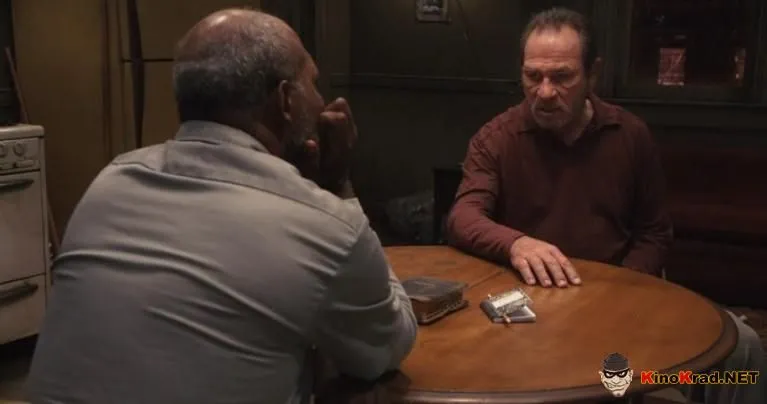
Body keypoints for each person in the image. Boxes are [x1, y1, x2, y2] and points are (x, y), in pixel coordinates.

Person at [26, 8, 417, 404]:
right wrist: (337, 185)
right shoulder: (325, 224)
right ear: (285, 100)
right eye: (313, 84)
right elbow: (384, 347)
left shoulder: (109, 183)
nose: (322, 101)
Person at [446, 7, 764, 404]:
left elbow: (654, 232)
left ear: (592, 74)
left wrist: (620, 289)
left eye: (562, 77)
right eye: (533, 76)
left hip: (617, 293)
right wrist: (517, 244)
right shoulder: (495, 138)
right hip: (530, 303)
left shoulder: (630, 135)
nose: (545, 92)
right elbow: (463, 216)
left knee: (744, 348)